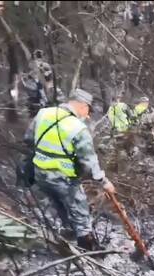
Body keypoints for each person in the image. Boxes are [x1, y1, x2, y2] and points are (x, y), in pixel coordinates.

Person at [24, 88, 115, 251]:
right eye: (88, 109)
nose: (87, 115)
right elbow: (89, 161)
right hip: (64, 179)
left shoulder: (43, 114)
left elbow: (28, 139)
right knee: (80, 215)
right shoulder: (78, 127)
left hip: (40, 174)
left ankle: (63, 240)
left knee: (58, 208)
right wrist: (104, 182)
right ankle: (87, 253)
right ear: (82, 105)